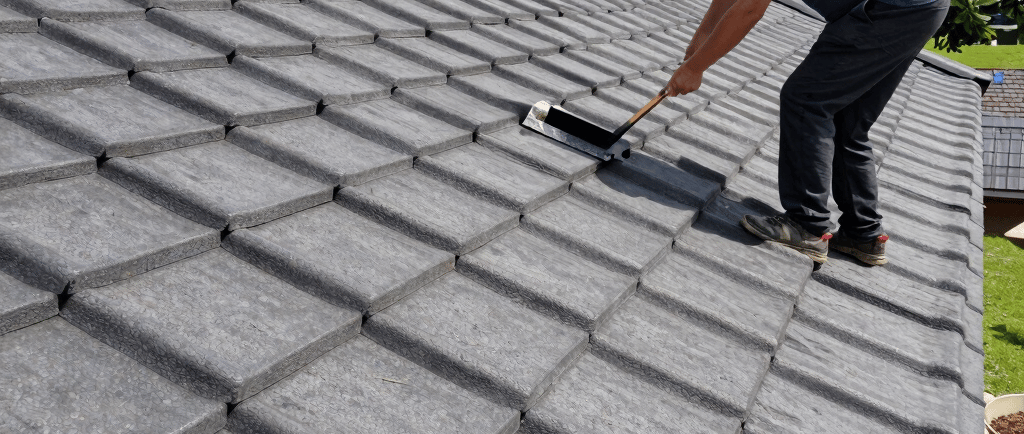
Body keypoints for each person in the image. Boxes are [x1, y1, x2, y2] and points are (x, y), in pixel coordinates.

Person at [665, 0, 950, 266]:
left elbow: (749, 8)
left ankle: (807, 225)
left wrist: (696, 69)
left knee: (806, 100)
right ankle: (862, 233)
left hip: (887, 10)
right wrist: (693, 59)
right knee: (847, 120)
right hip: (919, 10)